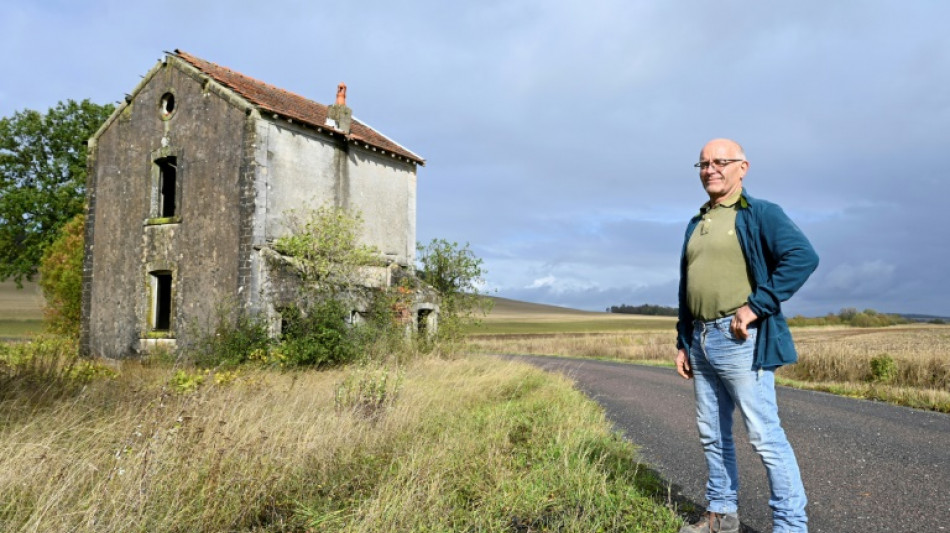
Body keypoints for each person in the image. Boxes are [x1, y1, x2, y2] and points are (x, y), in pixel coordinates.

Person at [675, 138, 818, 533]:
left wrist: (757, 306)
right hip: (701, 340)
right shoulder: (698, 221)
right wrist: (682, 341)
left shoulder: (761, 213)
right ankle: (721, 516)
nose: (710, 169)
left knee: (764, 437)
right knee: (712, 434)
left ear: (743, 167)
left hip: (740, 339)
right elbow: (688, 287)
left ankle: (790, 526)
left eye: (721, 161)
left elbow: (803, 257)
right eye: (703, 163)